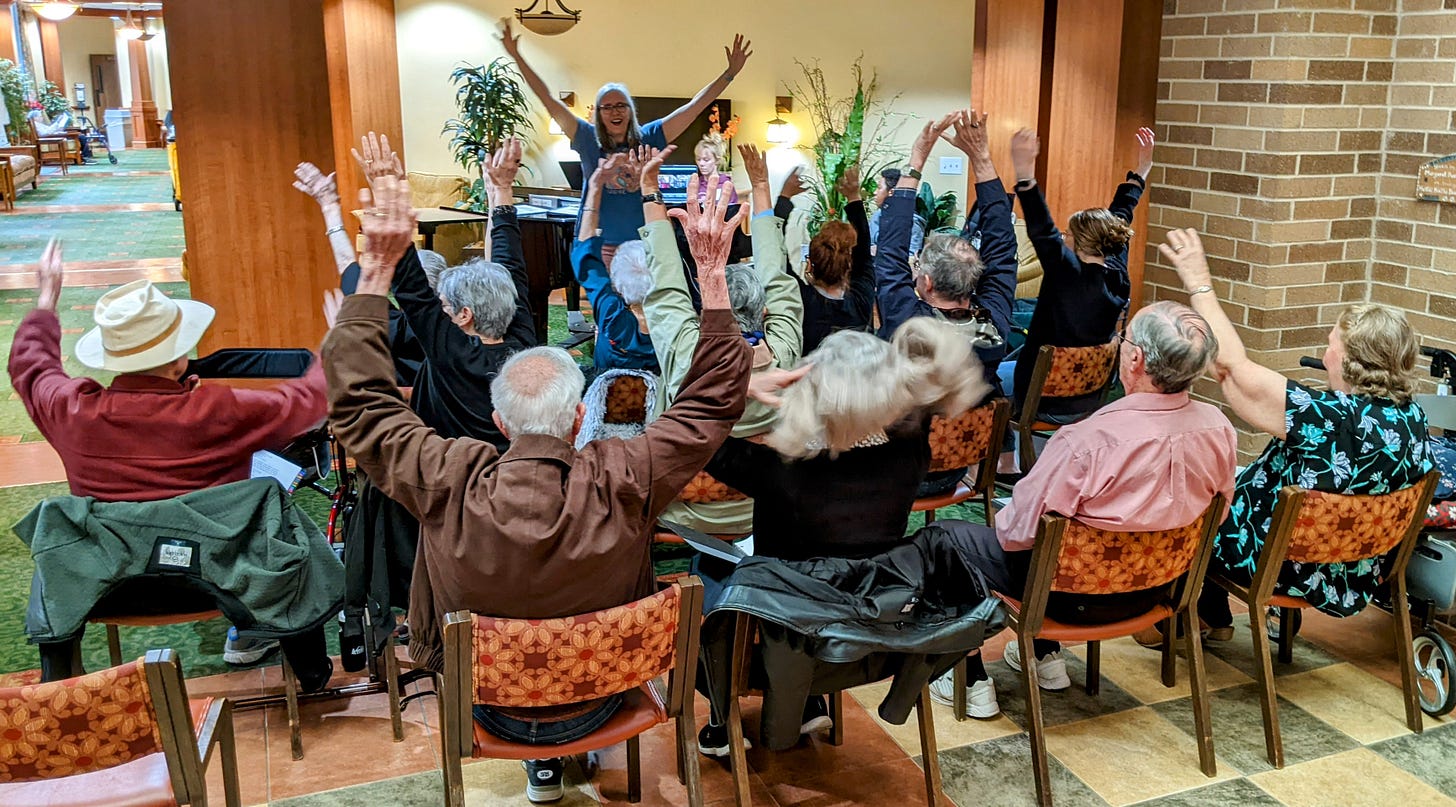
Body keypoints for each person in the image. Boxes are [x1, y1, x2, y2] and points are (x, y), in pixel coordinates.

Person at [322, 168, 751, 805]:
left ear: (499, 422)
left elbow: (361, 410)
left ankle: (541, 769)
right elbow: (712, 403)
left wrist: (375, 274)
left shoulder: (449, 478)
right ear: (580, 419)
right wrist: (712, 273)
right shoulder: (621, 476)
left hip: (489, 701)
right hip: (605, 690)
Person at [8, 239, 334, 690]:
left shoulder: (72, 412)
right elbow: (309, 401)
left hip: (107, 584)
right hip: (225, 574)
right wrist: (337, 343)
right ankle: (311, 669)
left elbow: (32, 371)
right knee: (288, 524)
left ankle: (62, 681)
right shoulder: (217, 411)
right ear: (180, 355)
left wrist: (46, 301)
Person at [925, 300, 1236, 718]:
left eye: (1123, 338)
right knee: (1056, 544)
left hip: (1071, 601)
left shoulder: (1086, 441)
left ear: (1136, 359)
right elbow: (1218, 514)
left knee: (945, 539)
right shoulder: (1219, 428)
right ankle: (1043, 658)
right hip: (1157, 592)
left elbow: (1016, 532)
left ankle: (969, 678)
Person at [1155, 229, 1435, 634]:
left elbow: (1231, 369)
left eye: (1331, 343)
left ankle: (1181, 619)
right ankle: (1213, 617)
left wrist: (1200, 284)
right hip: (1352, 571)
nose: (1326, 352)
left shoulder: (1325, 416)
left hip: (1284, 565)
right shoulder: (1414, 419)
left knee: (1192, 502)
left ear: (1350, 360)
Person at [640, 142, 804, 537]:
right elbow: (776, 277)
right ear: (764, 314)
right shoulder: (785, 351)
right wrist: (762, 187)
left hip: (683, 514)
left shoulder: (687, 359)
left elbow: (666, 285)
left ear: (701, 317)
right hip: (765, 508)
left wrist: (649, 190)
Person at [500, 20, 752, 250]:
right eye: (607, 107)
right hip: (597, 242)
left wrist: (729, 74)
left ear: (630, 111)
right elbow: (548, 99)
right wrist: (517, 56)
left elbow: (695, 106)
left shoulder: (650, 135)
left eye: (621, 105)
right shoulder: (586, 137)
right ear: (599, 114)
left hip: (643, 243)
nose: (614, 111)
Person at [1003, 127, 1154, 415]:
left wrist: (1024, 173)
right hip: (1089, 397)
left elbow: (1042, 229)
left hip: (1040, 399)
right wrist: (1140, 172)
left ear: (1081, 242)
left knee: (988, 377)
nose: (1062, 238)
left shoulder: (1067, 275)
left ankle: (1007, 460)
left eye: (1067, 234)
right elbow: (1120, 215)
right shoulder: (1117, 275)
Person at [875, 109, 1017, 390]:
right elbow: (1002, 250)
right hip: (982, 433)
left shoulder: (906, 322)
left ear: (926, 282)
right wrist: (981, 158)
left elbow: (890, 251)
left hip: (912, 433)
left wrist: (917, 159)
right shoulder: (993, 327)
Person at [573, 153, 658, 373]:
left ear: (617, 286)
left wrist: (595, 187)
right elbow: (665, 243)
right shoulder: (674, 319)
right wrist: (649, 186)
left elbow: (586, 259)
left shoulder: (611, 313)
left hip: (606, 403)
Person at [786, 165, 875, 353]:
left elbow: (777, 261)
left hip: (810, 380)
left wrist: (784, 199)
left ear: (809, 264)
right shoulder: (861, 299)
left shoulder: (800, 300)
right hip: (859, 380)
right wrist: (853, 197)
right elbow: (864, 254)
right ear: (848, 266)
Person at [868, 167, 925, 255]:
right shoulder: (877, 216)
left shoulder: (912, 223)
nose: (875, 192)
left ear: (891, 192)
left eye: (879, 188)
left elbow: (911, 257)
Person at [693, 133, 739, 205]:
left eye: (706, 160)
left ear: (717, 160)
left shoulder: (726, 185)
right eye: (698, 159)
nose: (701, 164)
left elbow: (732, 211)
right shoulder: (696, 184)